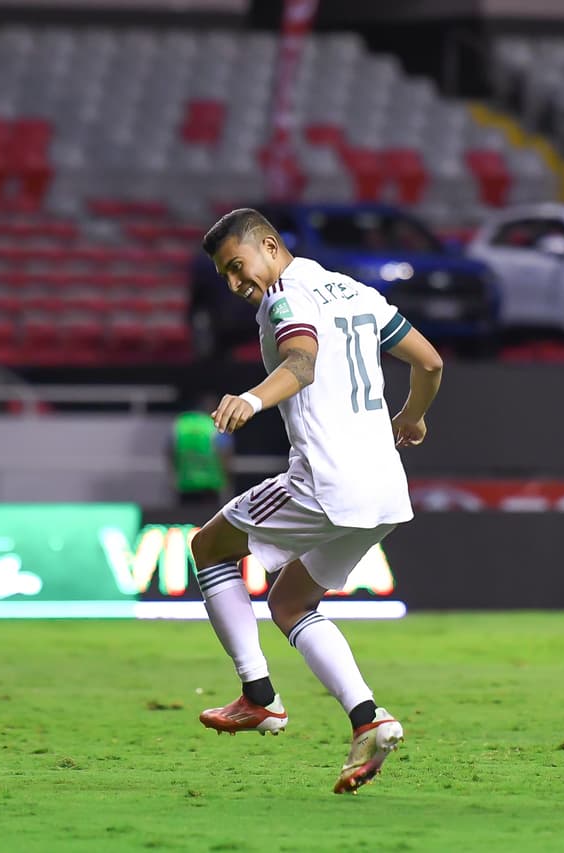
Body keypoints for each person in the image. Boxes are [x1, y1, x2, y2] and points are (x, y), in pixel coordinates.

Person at [188, 207, 444, 794]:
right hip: (385, 489)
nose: (235, 283)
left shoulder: (286, 297)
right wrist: (413, 416)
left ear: (269, 245)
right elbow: (430, 361)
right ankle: (368, 720)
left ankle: (258, 696)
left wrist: (252, 400)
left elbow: (301, 362)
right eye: (224, 276)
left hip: (326, 482)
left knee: (208, 548)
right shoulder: (356, 292)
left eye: (237, 266)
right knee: (291, 603)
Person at [169, 392, 234, 507]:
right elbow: (225, 454)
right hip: (211, 484)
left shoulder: (181, 423)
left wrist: (173, 474)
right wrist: (228, 481)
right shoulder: (216, 425)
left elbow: (170, 451)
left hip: (185, 483)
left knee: (186, 517)